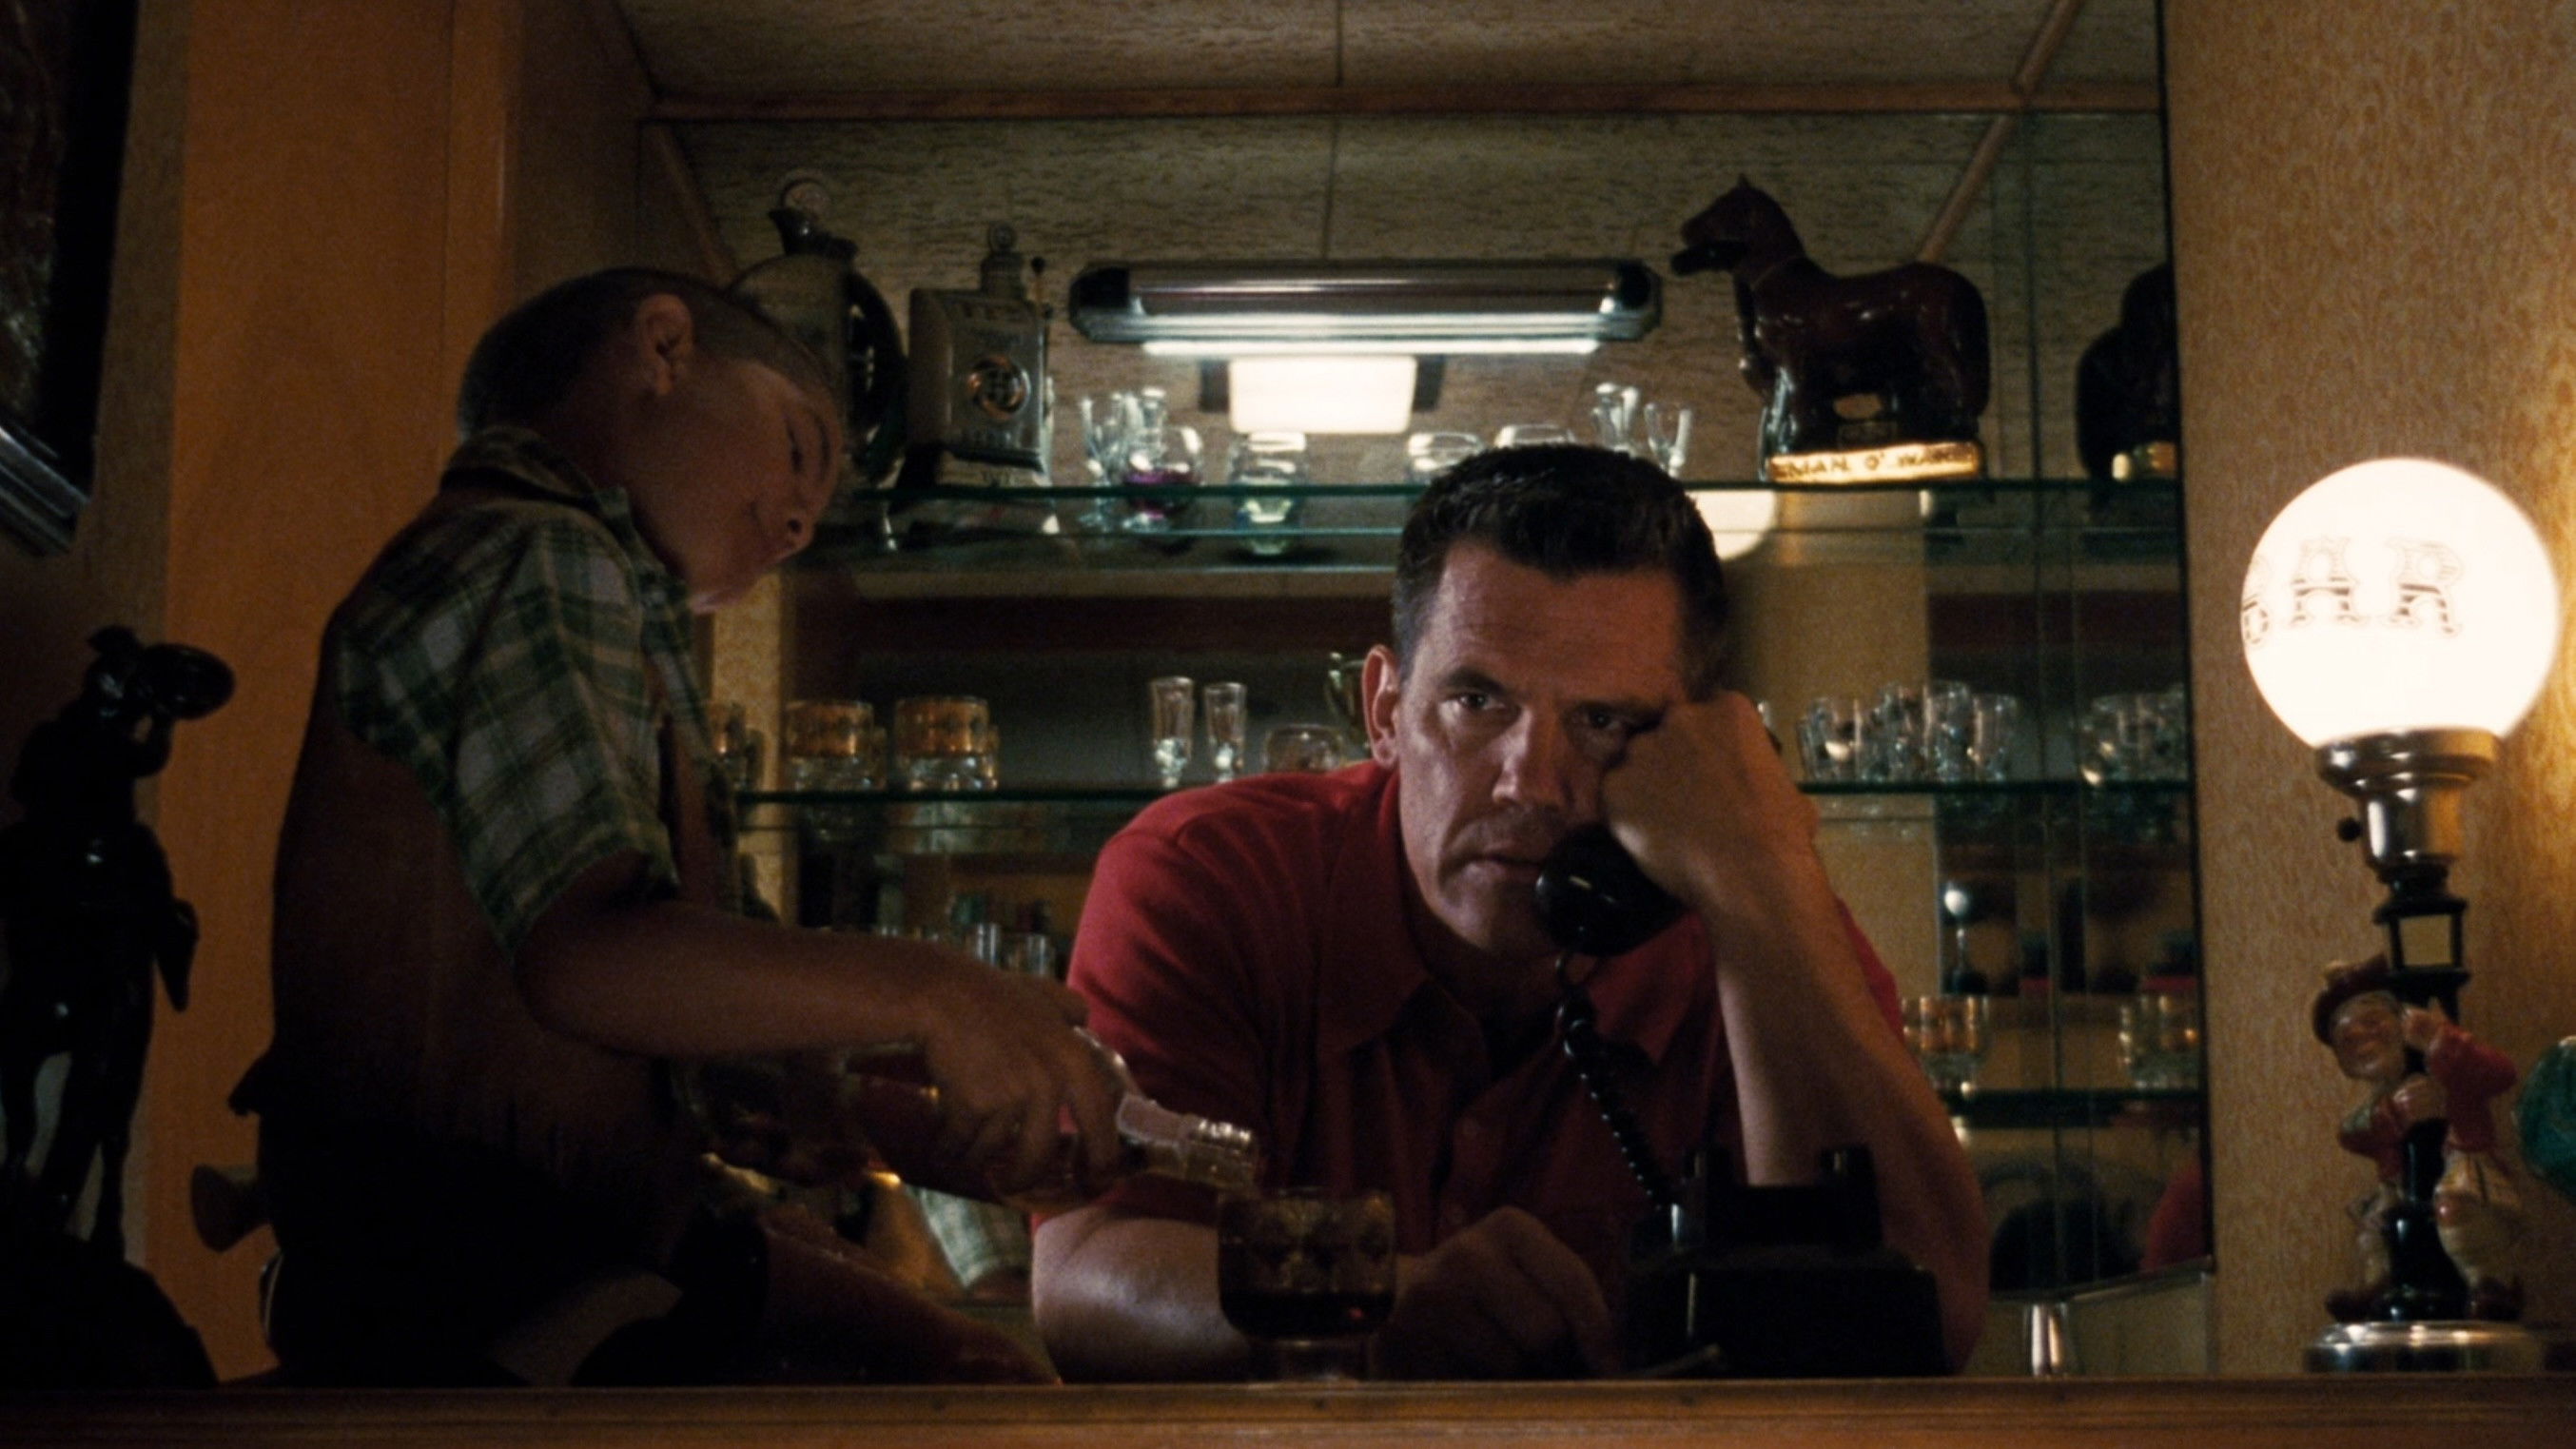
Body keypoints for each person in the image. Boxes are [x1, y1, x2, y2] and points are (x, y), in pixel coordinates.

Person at [233, 268, 1127, 1385]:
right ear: (662, 348)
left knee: (970, 1361)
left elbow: (713, 1031)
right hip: (462, 1273)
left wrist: (965, 1122)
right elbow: (588, 960)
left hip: (560, 1249)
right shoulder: (533, 551)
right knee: (970, 1386)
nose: (798, 524)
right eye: (798, 449)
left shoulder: (605, 605)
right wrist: (940, 991)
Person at [1032, 445, 1988, 1379]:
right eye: (1477, 701)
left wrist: (1763, 877)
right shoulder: (1210, 876)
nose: (1529, 782)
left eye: (1601, 720)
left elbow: (1928, 1316)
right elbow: (1086, 1276)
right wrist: (1378, 1310)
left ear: (1698, 747)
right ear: (1385, 710)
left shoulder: (1747, 915)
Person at [2312, 955, 2524, 1321]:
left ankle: (2488, 1284)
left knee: (2457, 1211)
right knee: (2376, 1227)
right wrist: (2392, 1113)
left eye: (2372, 1023)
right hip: (2403, 1185)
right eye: (2346, 1037)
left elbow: (2501, 1074)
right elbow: (2351, 1133)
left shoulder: (2444, 1064)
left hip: (2462, 1164)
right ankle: (2379, 1284)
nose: (2361, 1039)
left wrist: (2439, 1040)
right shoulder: (2383, 1096)